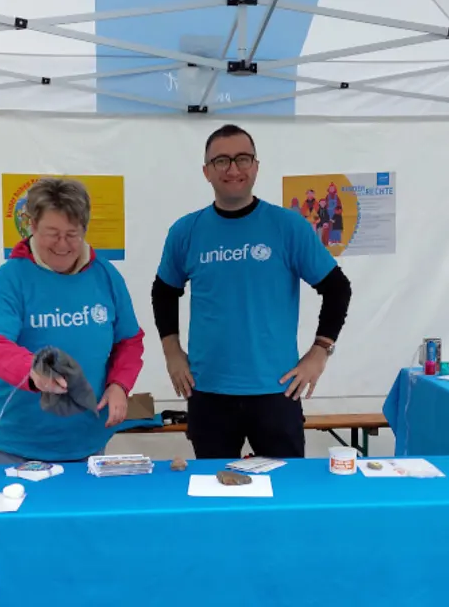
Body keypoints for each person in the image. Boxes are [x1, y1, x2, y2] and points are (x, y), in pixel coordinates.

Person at [151, 124, 353, 460]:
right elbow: (163, 292)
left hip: (276, 390)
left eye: (242, 158)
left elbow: (337, 288)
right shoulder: (186, 231)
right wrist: (172, 353)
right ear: (206, 172)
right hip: (208, 390)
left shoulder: (287, 227)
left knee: (284, 498)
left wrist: (320, 352)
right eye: (221, 161)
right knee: (214, 497)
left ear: (256, 166)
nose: (233, 169)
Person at [0, 178, 145, 465]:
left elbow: (128, 340)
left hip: (87, 438)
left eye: (72, 234)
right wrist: (32, 371)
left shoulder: (106, 276)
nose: (63, 245)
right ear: (32, 226)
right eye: (52, 233)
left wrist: (119, 384)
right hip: (19, 442)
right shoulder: (10, 278)